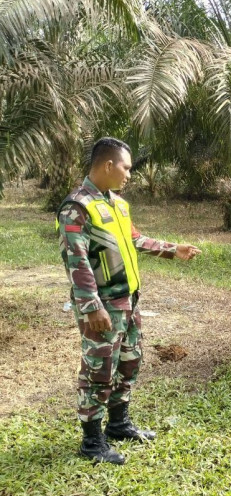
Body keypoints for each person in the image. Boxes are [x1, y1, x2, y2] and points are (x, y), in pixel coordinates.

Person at [58, 137, 201, 465]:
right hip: (103, 306)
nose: (129, 174)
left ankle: (119, 425)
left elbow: (134, 239)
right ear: (108, 165)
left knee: (128, 362)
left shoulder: (118, 204)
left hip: (128, 301)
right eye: (126, 167)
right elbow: (75, 259)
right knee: (98, 369)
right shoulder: (77, 206)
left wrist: (171, 248)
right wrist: (91, 305)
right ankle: (92, 442)